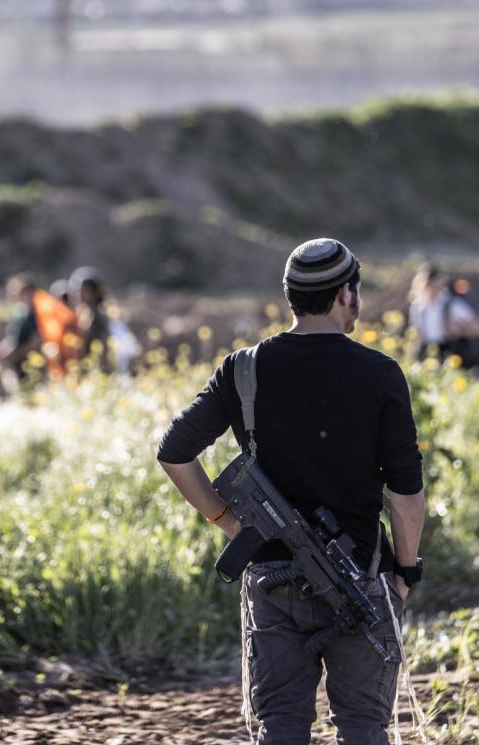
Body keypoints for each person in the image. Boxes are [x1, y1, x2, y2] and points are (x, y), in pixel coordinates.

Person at [157, 238, 426, 745]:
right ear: (347, 293)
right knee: (365, 729)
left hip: (272, 582)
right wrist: (406, 572)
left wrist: (228, 522)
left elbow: (174, 452)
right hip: (362, 577)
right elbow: (405, 494)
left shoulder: (243, 369)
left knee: (279, 728)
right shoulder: (379, 374)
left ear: (291, 298)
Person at [407, 263, 479, 372]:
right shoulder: (418, 307)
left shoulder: (451, 304)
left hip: (449, 350)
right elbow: (417, 334)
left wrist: (457, 330)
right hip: (427, 352)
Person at [0, 273, 43, 393]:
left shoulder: (38, 315)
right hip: (17, 363)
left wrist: (11, 356)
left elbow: (35, 342)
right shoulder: (20, 313)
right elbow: (13, 338)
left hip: (30, 364)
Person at [70, 267, 112, 373]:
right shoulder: (85, 314)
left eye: (82, 289)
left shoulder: (98, 316)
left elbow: (103, 348)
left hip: (95, 372)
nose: (79, 293)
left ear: (93, 292)